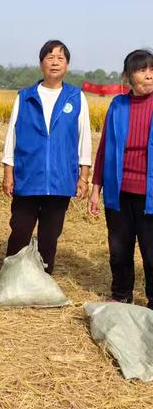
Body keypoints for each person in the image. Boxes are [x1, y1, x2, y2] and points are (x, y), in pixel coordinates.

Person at [2, 40, 91, 274]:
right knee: (20, 230)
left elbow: (84, 139)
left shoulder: (76, 97)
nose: (54, 62)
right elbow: (12, 135)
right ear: (41, 63)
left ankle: (42, 280)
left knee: (50, 236)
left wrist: (83, 176)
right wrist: (8, 173)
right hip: (28, 176)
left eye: (60, 58)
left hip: (61, 180)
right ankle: (12, 276)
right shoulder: (25, 96)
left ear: (67, 65)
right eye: (49, 57)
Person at [89, 49, 153, 309]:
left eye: (152, 69)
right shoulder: (118, 105)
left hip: (149, 193)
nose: (149, 75)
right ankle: (121, 294)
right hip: (118, 190)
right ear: (128, 77)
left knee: (151, 252)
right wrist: (96, 189)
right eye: (142, 70)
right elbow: (105, 147)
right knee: (119, 249)